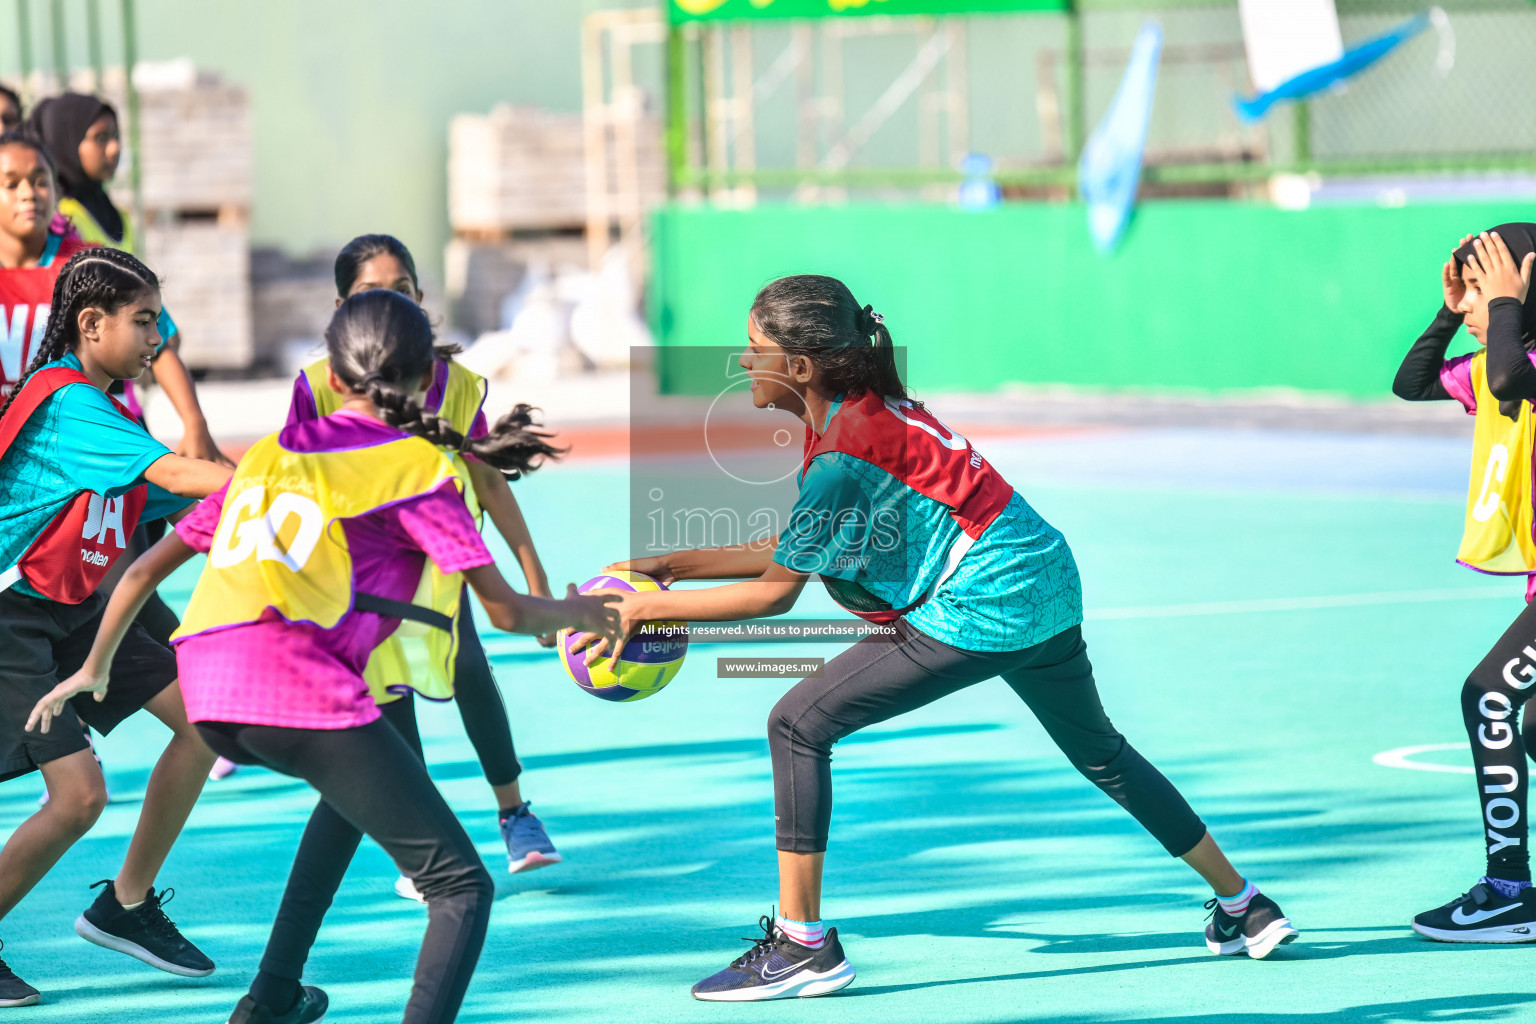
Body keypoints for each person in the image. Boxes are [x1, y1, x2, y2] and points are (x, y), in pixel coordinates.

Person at [574, 274, 1298, 1001]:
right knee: (1101, 752)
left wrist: (644, 613)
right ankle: (1246, 905)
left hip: (983, 605)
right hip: (1045, 579)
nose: (741, 359)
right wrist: (672, 565)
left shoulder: (840, 456)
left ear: (800, 365)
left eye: (754, 346)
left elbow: (775, 592)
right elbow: (800, 546)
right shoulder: (867, 409)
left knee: (796, 724)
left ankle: (803, 947)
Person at [29, 287, 623, 1024]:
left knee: (352, 800)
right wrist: (579, 612)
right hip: (295, 689)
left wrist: (94, 668)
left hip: (209, 690)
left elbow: (147, 569)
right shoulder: (416, 468)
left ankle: (271, 997)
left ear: (331, 377)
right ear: (423, 376)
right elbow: (502, 611)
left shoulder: (275, 453)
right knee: (461, 888)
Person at [279, 233, 564, 897]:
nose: (388, 302)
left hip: (438, 558)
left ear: (420, 299)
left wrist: (539, 583)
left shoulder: (456, 387)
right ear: (341, 309)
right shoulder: (317, 387)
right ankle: (423, 843)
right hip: (353, 574)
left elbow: (489, 482)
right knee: (390, 693)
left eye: (401, 289)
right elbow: (292, 485)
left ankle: (514, 810)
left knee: (465, 663)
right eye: (369, 293)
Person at [0, 247, 232, 1007]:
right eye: (144, 322)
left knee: (204, 723)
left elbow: (174, 503)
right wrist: (298, 478)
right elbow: (174, 475)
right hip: (12, 619)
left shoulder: (106, 411)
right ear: (92, 324)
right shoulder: (68, 402)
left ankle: (124, 905)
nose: (157, 339)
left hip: (71, 614)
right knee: (77, 798)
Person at [1392, 226, 1536, 941]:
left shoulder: (1519, 363)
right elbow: (1412, 383)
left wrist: (1505, 302)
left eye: (1485, 288)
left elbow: (1513, 375)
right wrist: (1452, 310)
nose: (1477, 304)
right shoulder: (1492, 360)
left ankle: (1510, 888)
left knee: (1487, 696)